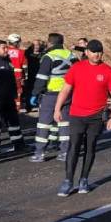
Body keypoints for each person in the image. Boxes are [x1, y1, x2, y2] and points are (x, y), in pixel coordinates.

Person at [54, 39, 111, 196]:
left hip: (96, 117)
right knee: (74, 147)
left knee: (90, 147)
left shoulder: (107, 71)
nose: (97, 55)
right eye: (93, 52)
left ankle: (84, 179)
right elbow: (65, 90)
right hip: (77, 114)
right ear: (86, 52)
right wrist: (57, 108)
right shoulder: (76, 68)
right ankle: (68, 181)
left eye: (99, 52)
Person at [29, 33, 75, 162]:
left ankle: (39, 153)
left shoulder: (49, 57)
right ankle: (65, 152)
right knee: (64, 123)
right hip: (68, 93)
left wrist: (35, 93)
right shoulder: (71, 55)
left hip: (51, 94)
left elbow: (42, 77)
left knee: (44, 124)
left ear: (50, 43)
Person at [0, 40, 24, 153]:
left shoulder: (7, 60)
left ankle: (19, 145)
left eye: (7, 47)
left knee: (13, 122)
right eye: (4, 48)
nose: (7, 50)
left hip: (9, 97)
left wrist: (14, 93)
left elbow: (12, 78)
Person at [21, 40, 43, 112]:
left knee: (40, 90)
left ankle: (39, 105)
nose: (36, 46)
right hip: (30, 75)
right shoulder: (28, 54)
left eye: (37, 45)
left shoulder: (43, 54)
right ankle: (28, 106)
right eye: (34, 45)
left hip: (39, 75)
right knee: (29, 90)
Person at [5, 33, 26, 109]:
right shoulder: (21, 52)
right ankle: (17, 108)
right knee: (18, 92)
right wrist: (25, 77)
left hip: (6, 74)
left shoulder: (4, 50)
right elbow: (25, 66)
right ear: (16, 42)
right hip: (18, 76)